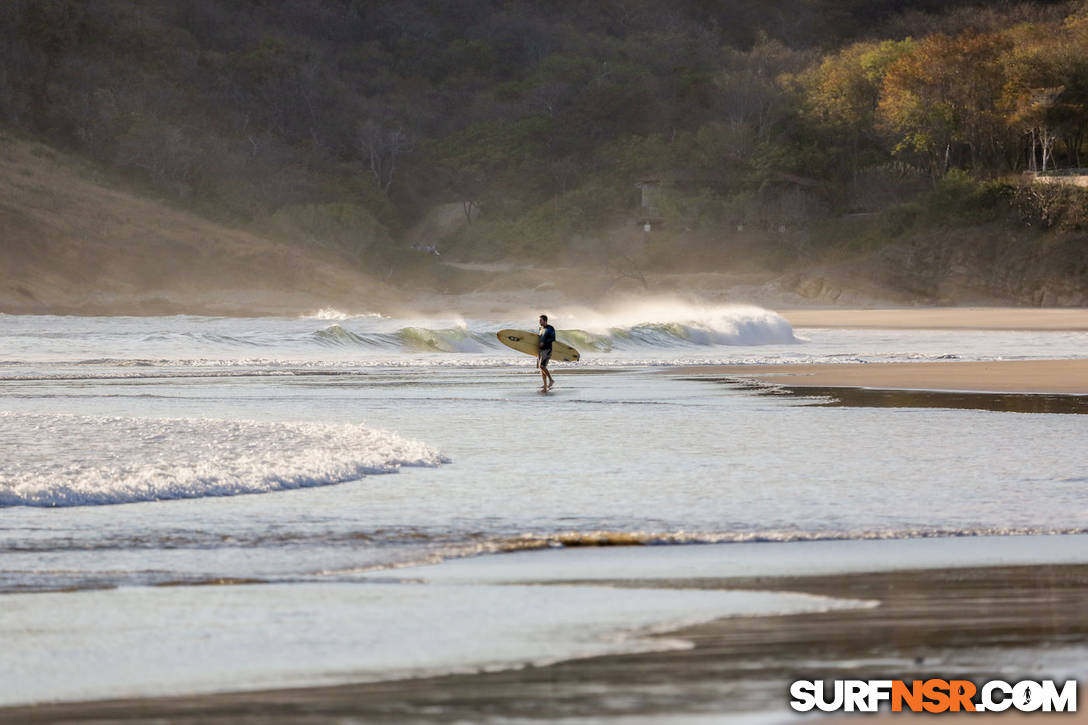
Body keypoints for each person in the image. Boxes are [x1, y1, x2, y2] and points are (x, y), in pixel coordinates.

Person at [537, 314, 556, 391]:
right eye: (539, 321)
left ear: (545, 321)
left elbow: (553, 338)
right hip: (540, 350)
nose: (539, 322)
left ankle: (551, 380)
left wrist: (544, 343)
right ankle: (545, 384)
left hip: (547, 349)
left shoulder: (550, 328)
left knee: (542, 366)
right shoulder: (540, 328)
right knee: (541, 368)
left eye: (540, 320)